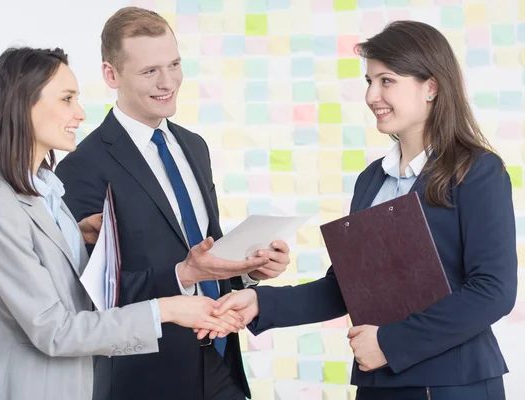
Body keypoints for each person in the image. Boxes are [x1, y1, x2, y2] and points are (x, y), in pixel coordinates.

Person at [211, 21, 517, 400]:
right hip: (380, 384)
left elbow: (494, 291)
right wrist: (260, 303)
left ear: (431, 88)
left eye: (386, 80)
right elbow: (347, 288)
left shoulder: (476, 171)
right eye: (369, 81)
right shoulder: (372, 180)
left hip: (453, 384)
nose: (373, 95)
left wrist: (389, 342)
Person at [0, 46, 256, 400]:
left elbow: (68, 284)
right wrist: (168, 309)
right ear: (24, 104)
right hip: (28, 387)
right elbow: (54, 330)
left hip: (78, 381)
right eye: (67, 99)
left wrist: (73, 235)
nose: (80, 113)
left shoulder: (46, 191)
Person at [54, 6, 292, 400]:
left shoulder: (194, 147)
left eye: (174, 64)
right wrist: (183, 276)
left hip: (220, 363)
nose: (168, 82)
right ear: (111, 75)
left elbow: (207, 250)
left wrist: (250, 269)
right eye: (150, 71)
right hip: (145, 377)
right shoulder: (83, 166)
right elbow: (90, 297)